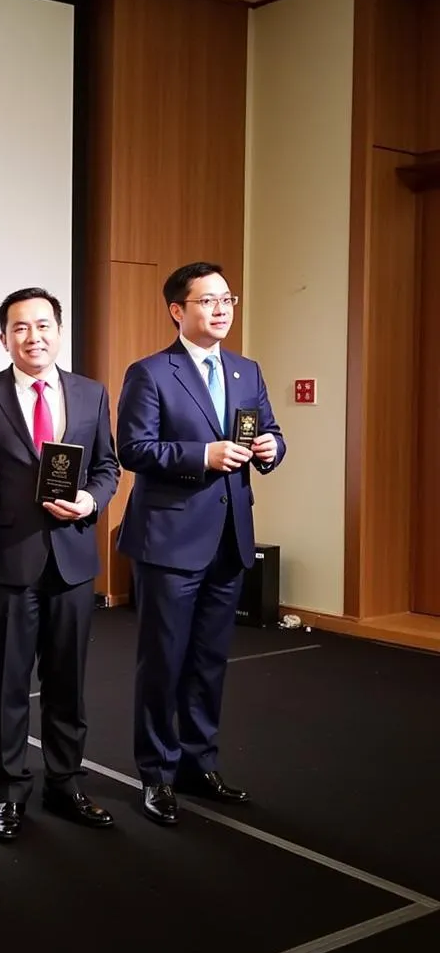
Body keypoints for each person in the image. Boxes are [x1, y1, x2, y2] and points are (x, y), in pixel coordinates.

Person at [116, 261, 285, 826]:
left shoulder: (246, 370)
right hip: (170, 539)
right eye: (208, 300)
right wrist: (201, 457)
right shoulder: (151, 372)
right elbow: (133, 450)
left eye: (227, 299)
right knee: (163, 661)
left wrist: (269, 450)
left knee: (210, 661)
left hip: (230, 536)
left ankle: (198, 763)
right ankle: (157, 774)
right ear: (177, 310)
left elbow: (275, 433)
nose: (221, 309)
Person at [0, 288, 120, 842]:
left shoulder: (89, 392)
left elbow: (107, 466)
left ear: (59, 330)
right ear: (3, 338)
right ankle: (10, 793)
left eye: (42, 326)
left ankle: (66, 783)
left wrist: (90, 501)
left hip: (74, 558)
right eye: (20, 328)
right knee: (8, 683)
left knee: (68, 683)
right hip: (8, 559)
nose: (32, 337)